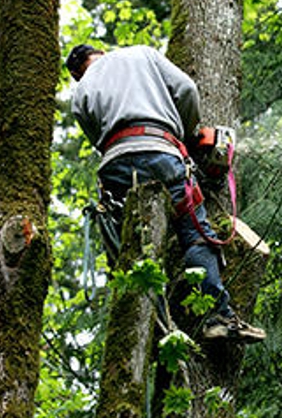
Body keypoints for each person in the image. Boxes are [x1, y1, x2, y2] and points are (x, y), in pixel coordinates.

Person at [66, 44, 266, 343]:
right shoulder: (141, 54)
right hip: (160, 151)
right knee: (196, 234)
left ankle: (149, 327)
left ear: (77, 72)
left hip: (114, 167)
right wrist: (185, 134)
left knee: (135, 246)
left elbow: (97, 138)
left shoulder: (80, 93)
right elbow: (186, 89)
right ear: (101, 52)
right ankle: (218, 317)